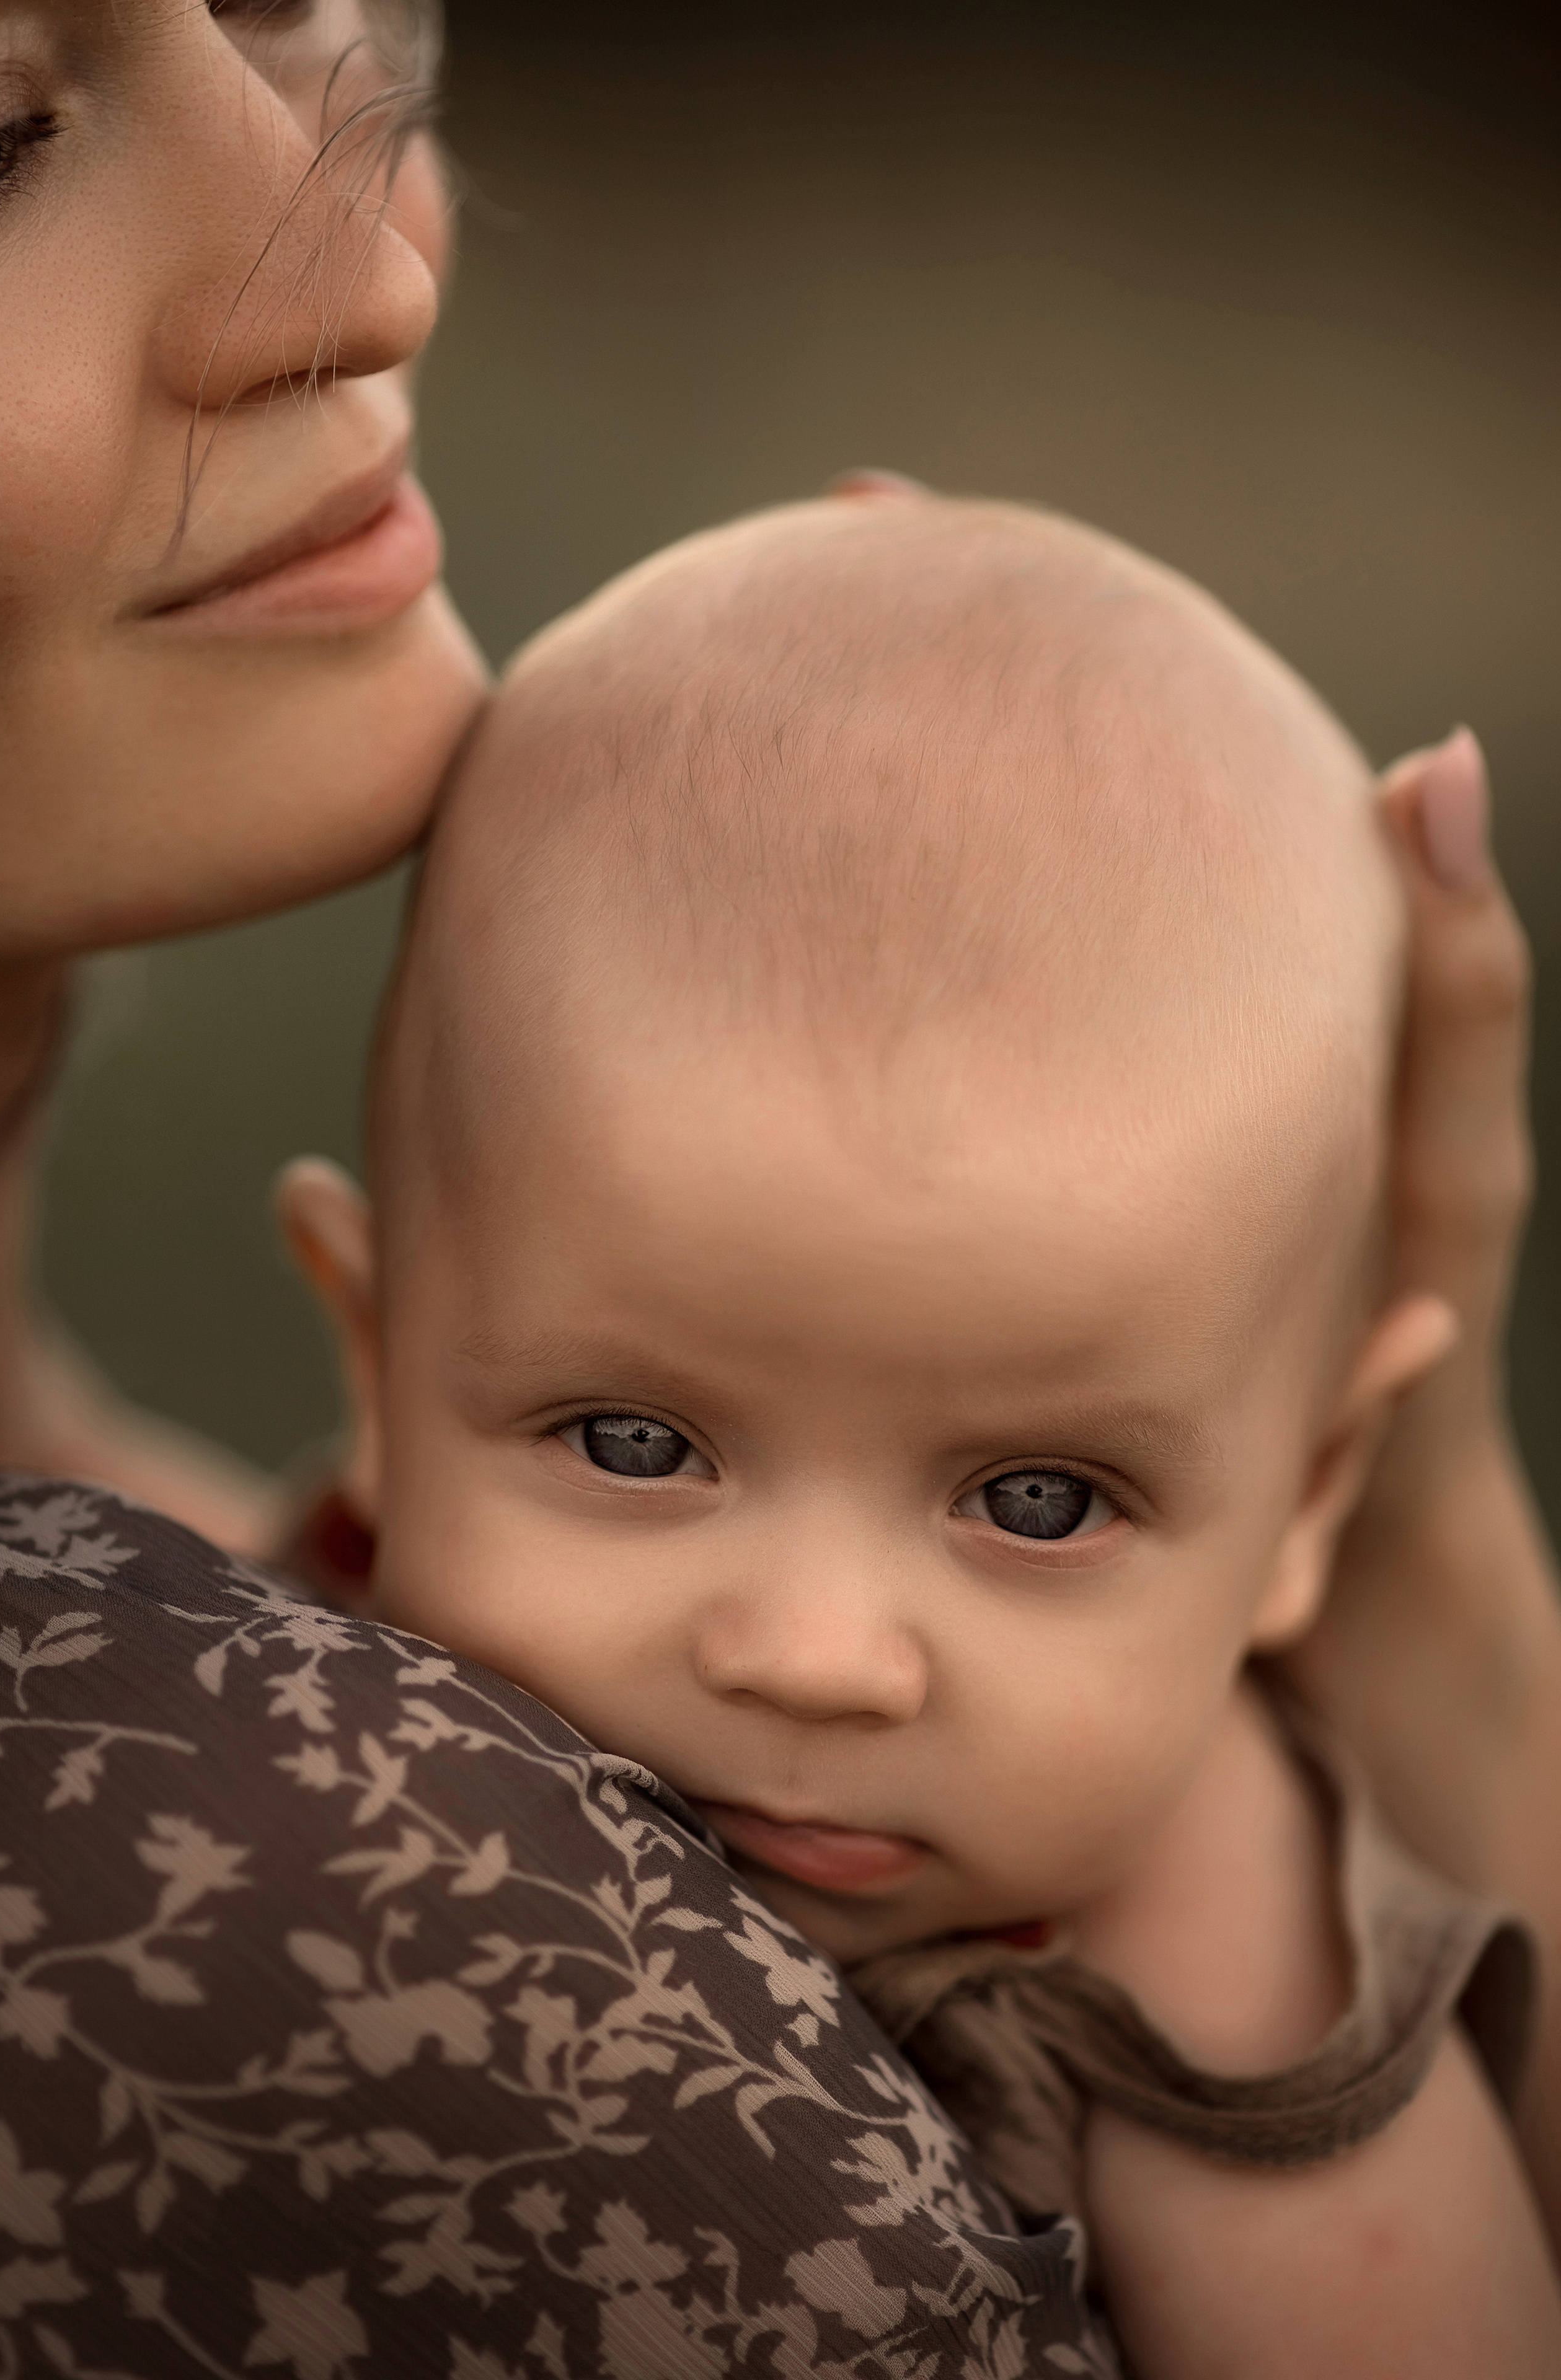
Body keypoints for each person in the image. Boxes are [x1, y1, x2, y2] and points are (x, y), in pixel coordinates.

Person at [0, 2, 1560, 2372]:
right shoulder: (190, 1824)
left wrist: (1422, 1588)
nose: (372, 257)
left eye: (279, 3)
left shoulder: (1204, 1945)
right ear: (370, 1337)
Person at [273, 491, 1560, 2374]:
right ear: (373, 1360)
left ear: (1313, 1498)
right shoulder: (235, 1656)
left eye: (1039, 1500)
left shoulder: (1220, 2011)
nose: (814, 1658)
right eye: (636, 1447)